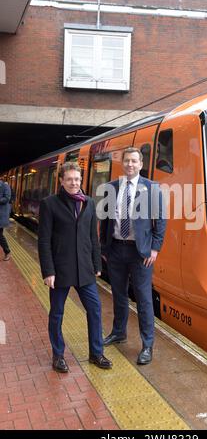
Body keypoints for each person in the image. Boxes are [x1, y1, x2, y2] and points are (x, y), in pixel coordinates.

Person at [38, 162, 112, 373]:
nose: (74, 183)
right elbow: (44, 240)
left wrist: (97, 264)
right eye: (69, 179)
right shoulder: (49, 204)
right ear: (61, 180)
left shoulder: (88, 202)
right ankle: (58, 355)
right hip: (60, 270)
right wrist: (48, 271)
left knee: (95, 310)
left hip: (85, 269)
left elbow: (93, 238)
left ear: (81, 180)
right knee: (57, 314)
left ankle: (96, 353)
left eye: (77, 179)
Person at [100, 147, 166, 365]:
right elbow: (106, 221)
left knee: (144, 299)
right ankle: (119, 332)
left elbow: (161, 221)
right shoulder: (111, 187)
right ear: (123, 163)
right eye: (127, 160)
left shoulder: (152, 188)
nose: (130, 164)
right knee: (118, 294)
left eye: (134, 161)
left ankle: (147, 345)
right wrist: (105, 249)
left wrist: (155, 249)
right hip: (116, 249)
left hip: (141, 254)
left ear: (140, 163)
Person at [0, 179, 11, 261]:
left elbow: (7, 198)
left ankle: (7, 252)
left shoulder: (5, 186)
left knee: (0, 236)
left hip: (1, 215)